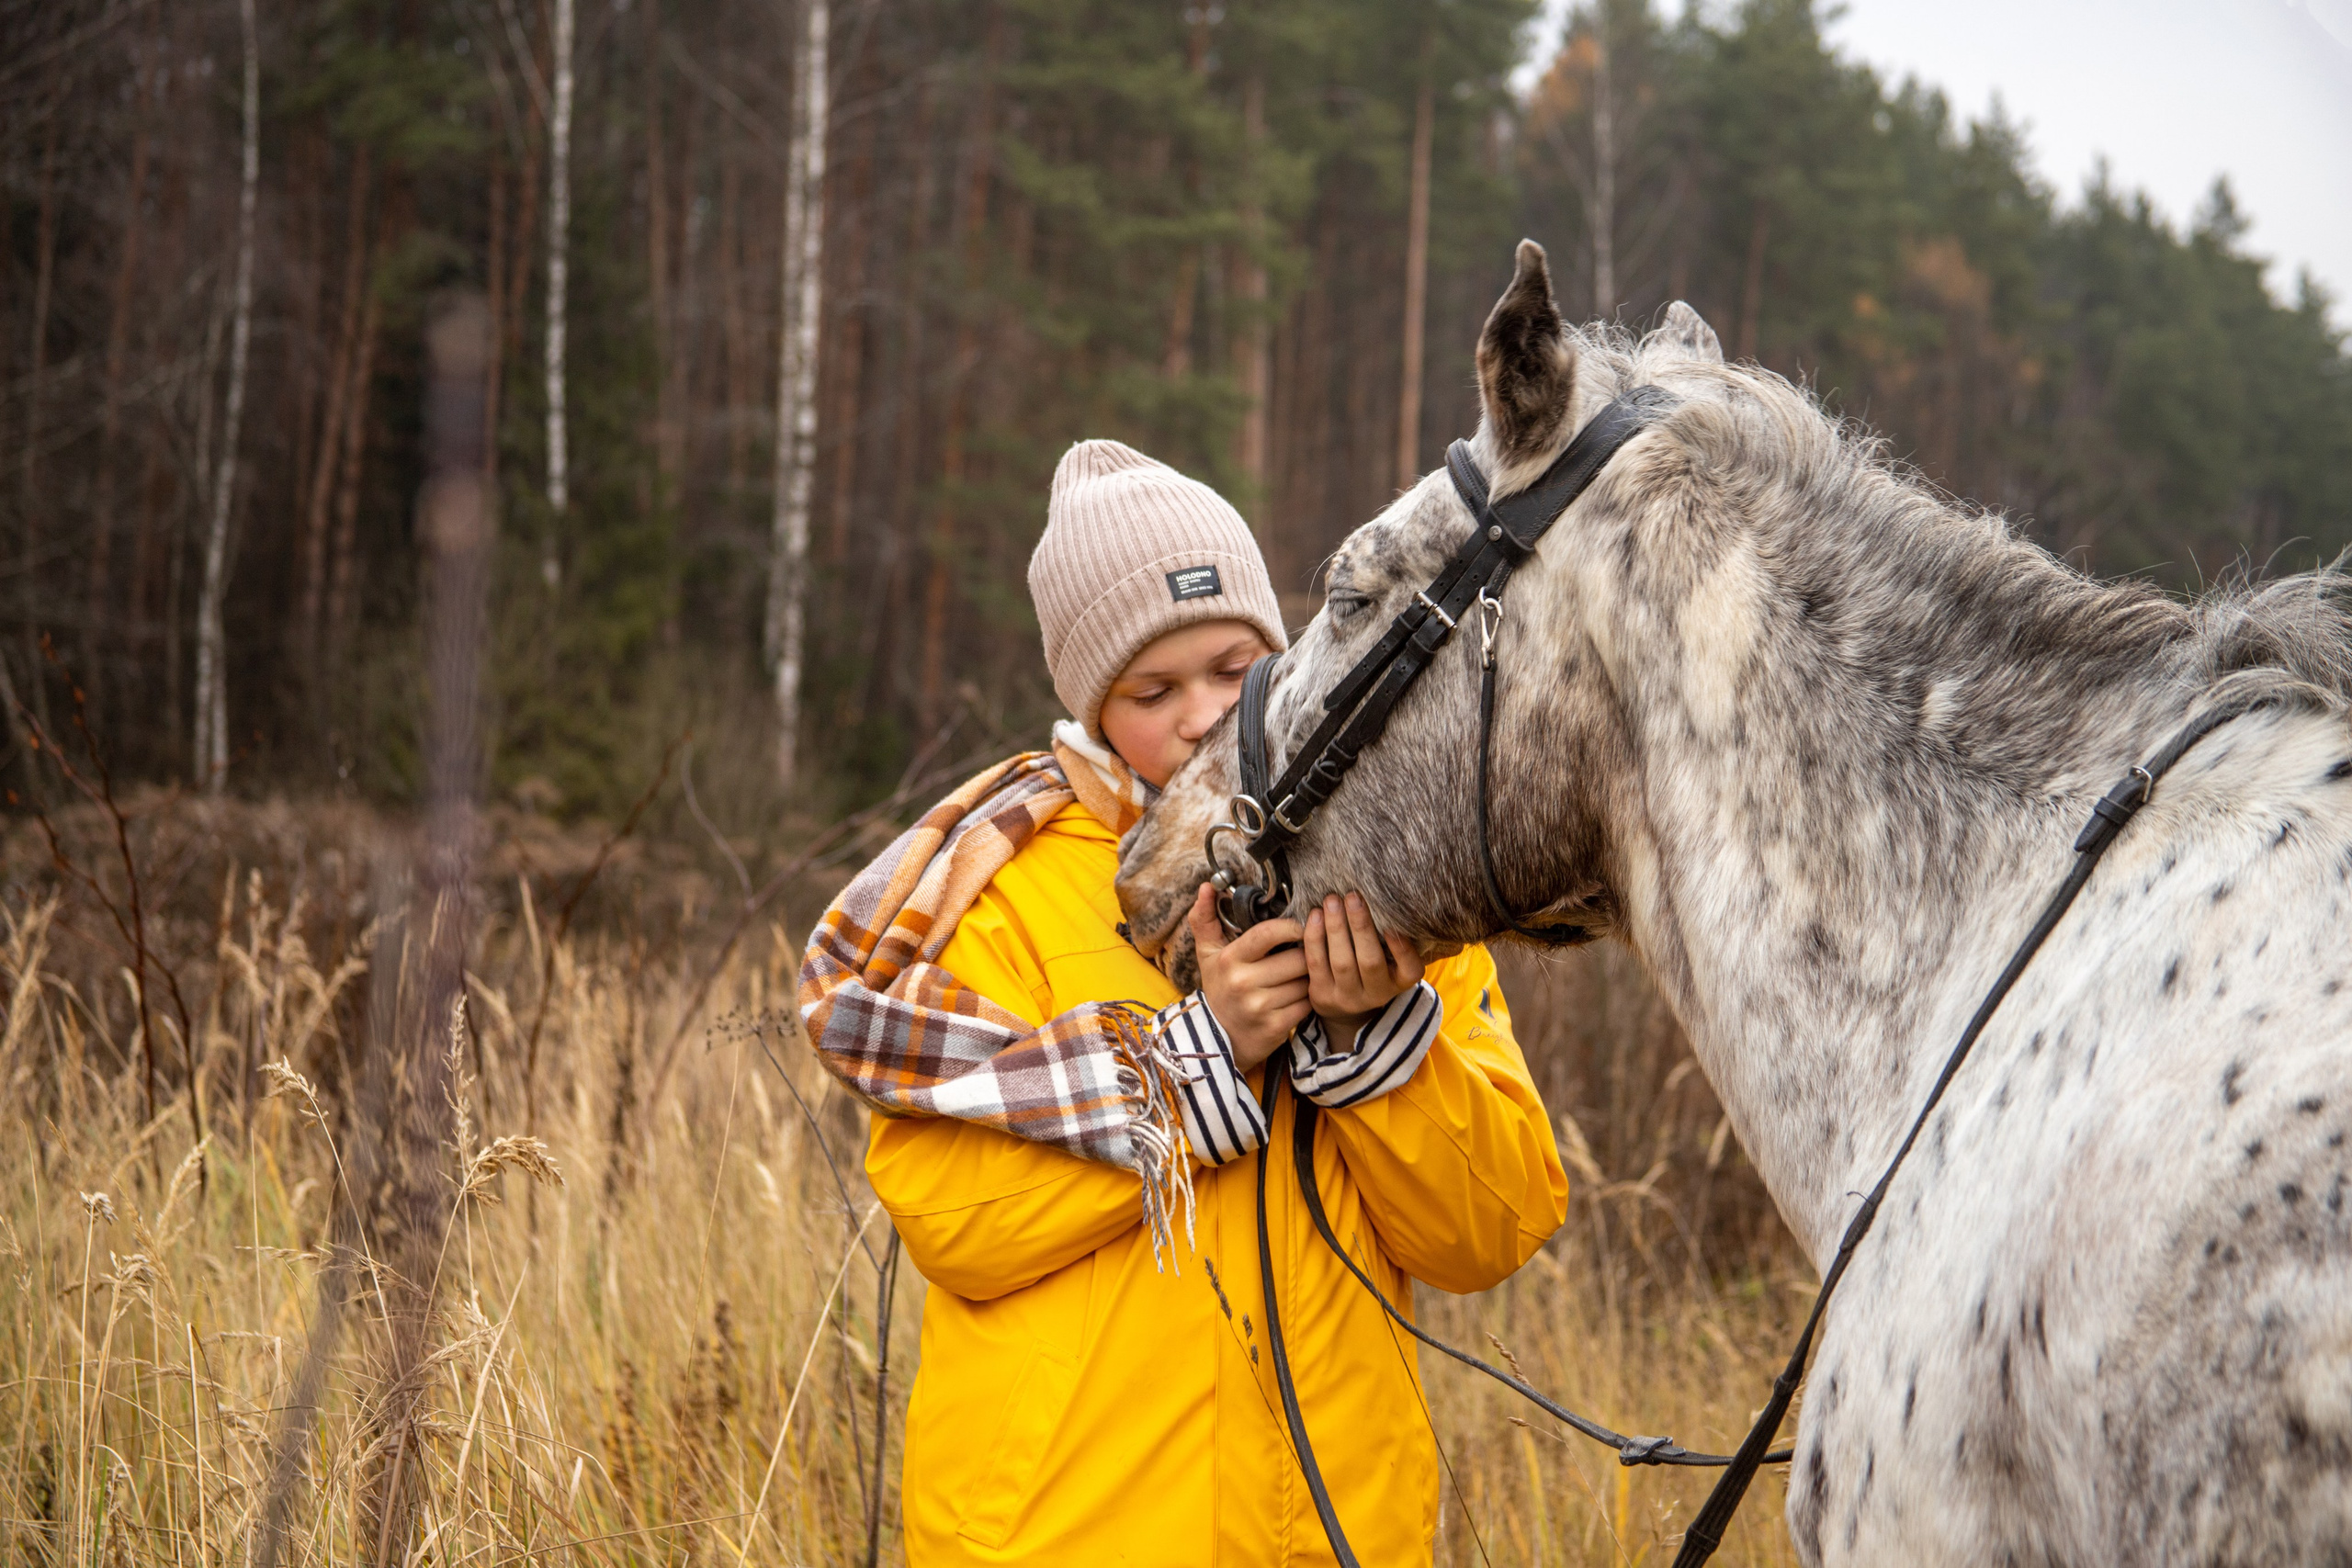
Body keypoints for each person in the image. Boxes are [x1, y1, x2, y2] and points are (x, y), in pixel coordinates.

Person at [801, 439, 1568, 1565]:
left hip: (1330, 1536)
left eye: (1233, 665)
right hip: (1062, 1534)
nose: (1205, 714)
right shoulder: (1007, 898)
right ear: (1089, 705)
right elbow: (952, 1223)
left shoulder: (1390, 887)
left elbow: (1488, 1233)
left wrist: (1381, 1049)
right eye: (1151, 692)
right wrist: (1190, 1064)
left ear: (1288, 652)